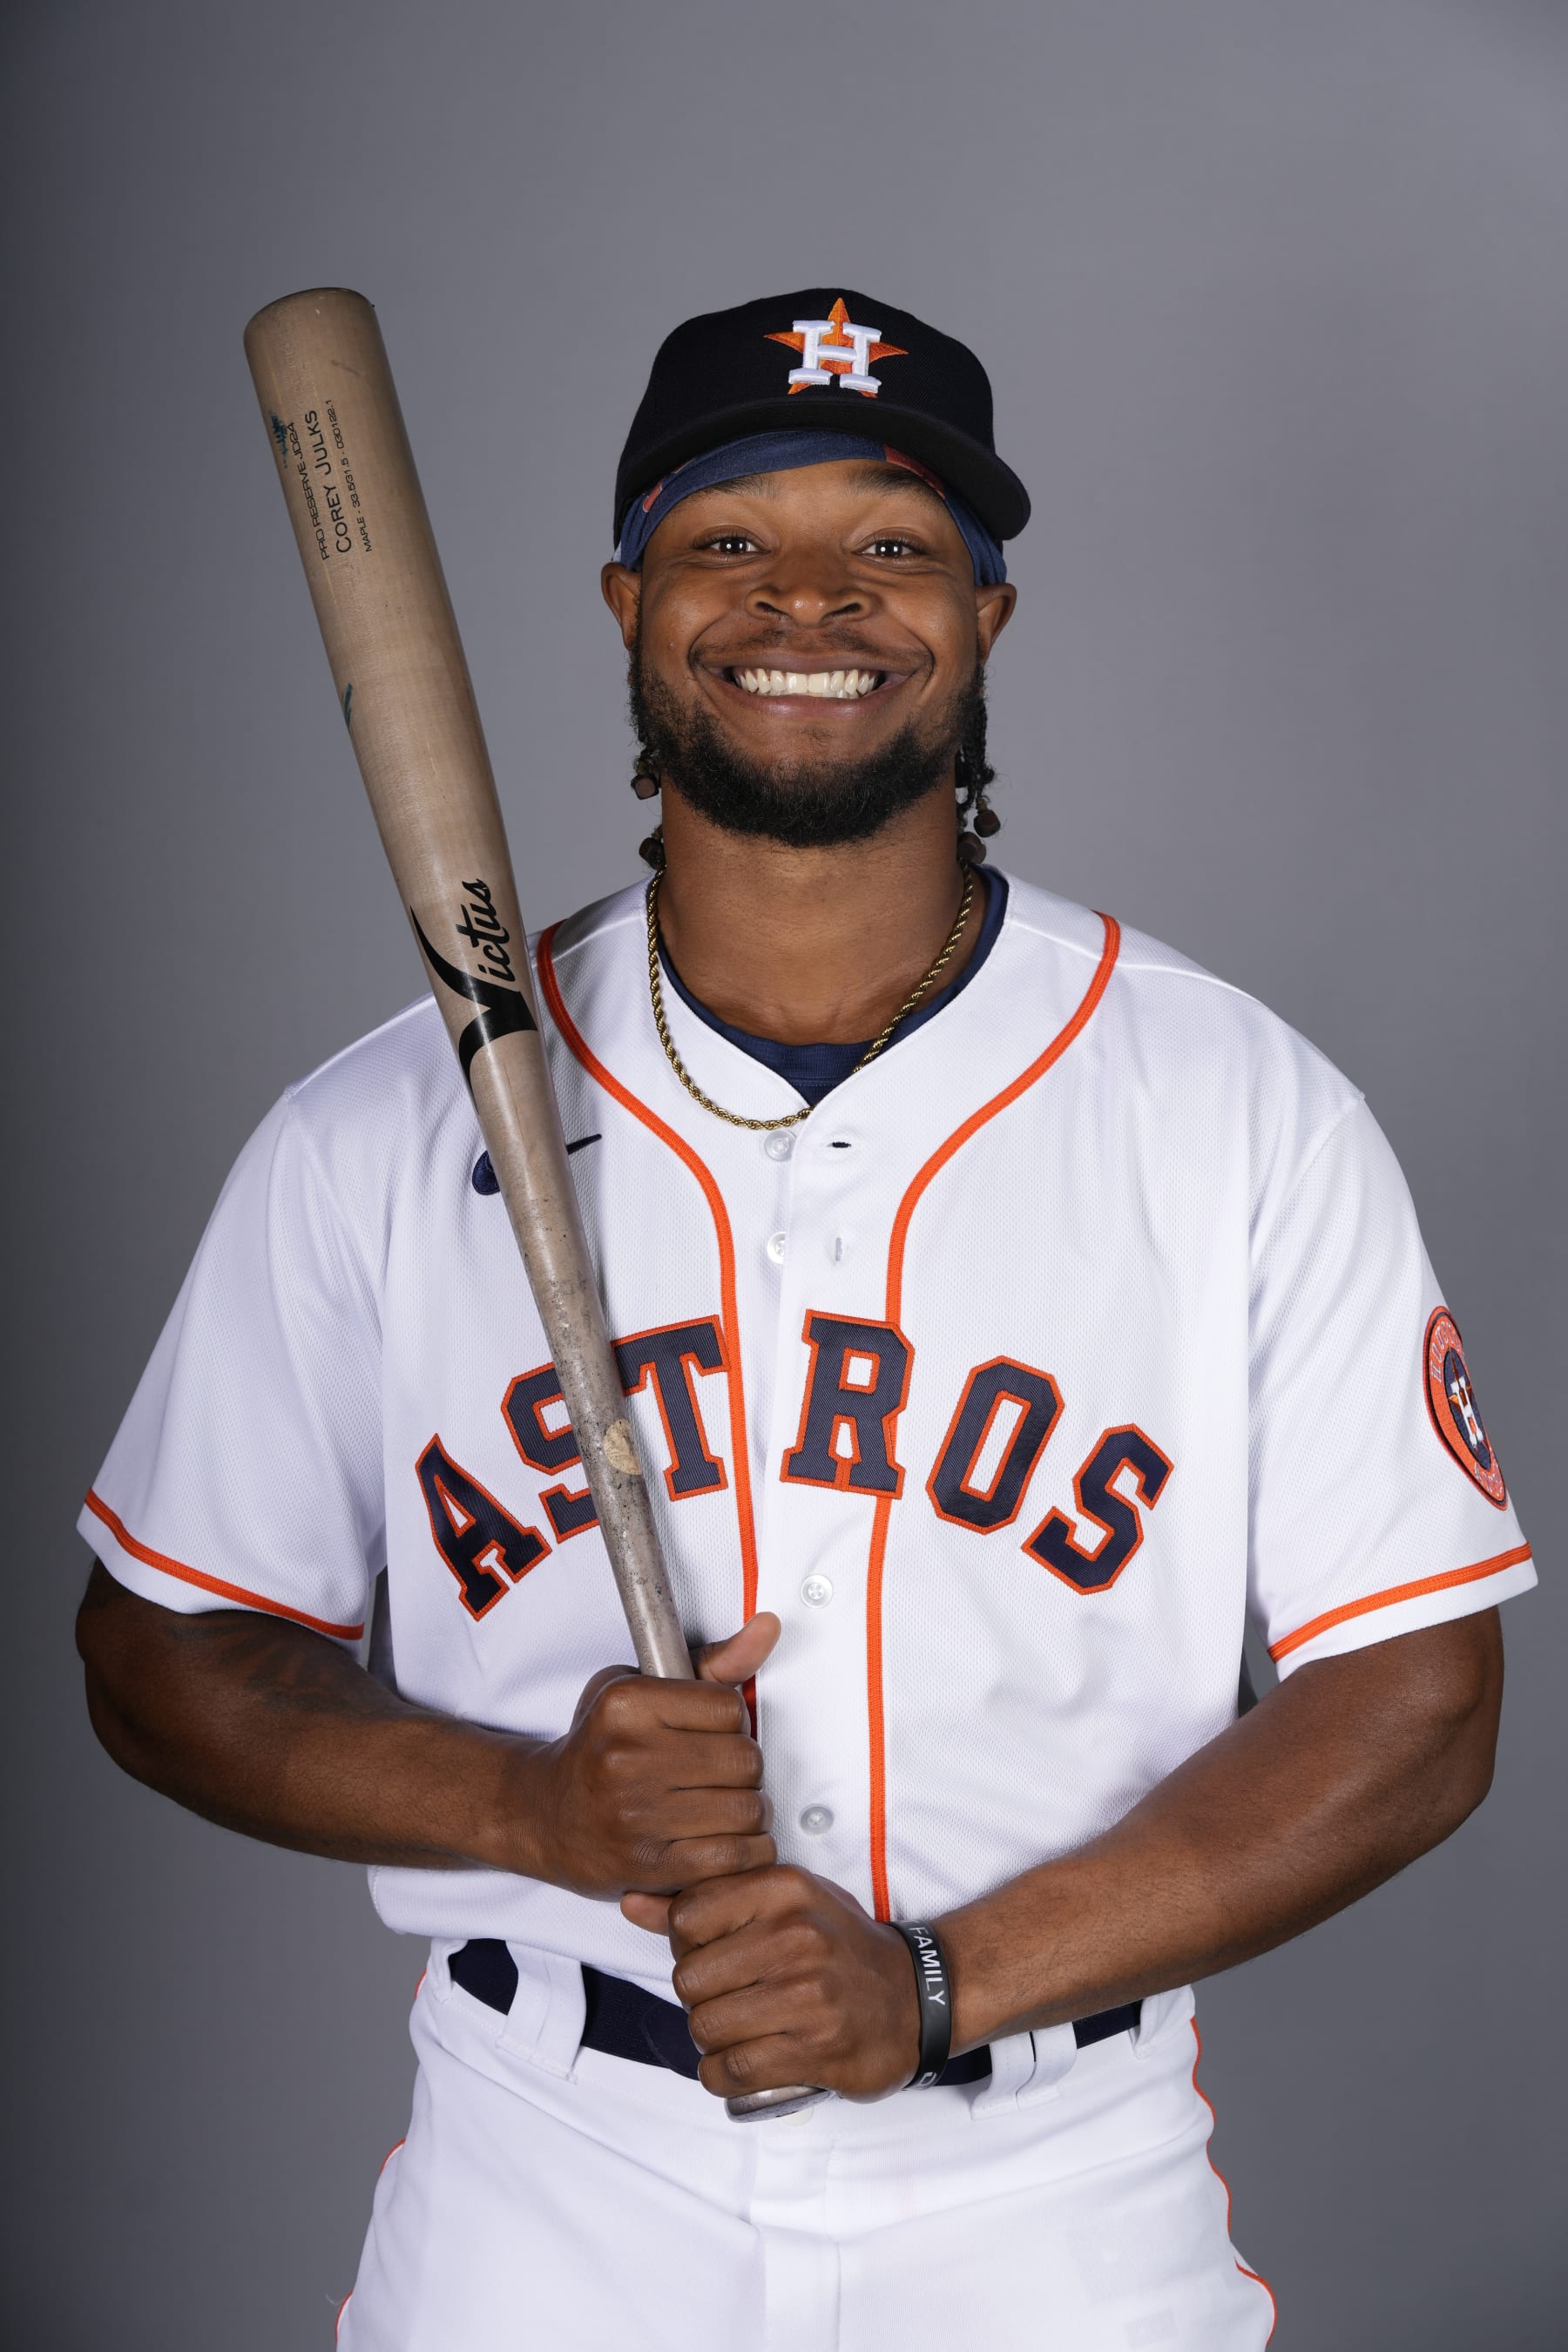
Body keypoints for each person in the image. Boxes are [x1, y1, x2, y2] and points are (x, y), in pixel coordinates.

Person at [76, 288, 1534, 2349]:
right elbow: (157, 1650)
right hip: (543, 2191)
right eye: (730, 543)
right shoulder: (374, 1133)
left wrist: (936, 1982)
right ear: (629, 602)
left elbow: (1418, 1707)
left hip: (1051, 2196)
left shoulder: (1236, 1111)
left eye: (896, 543)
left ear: (990, 616)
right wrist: (524, 1807)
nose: (812, 601)